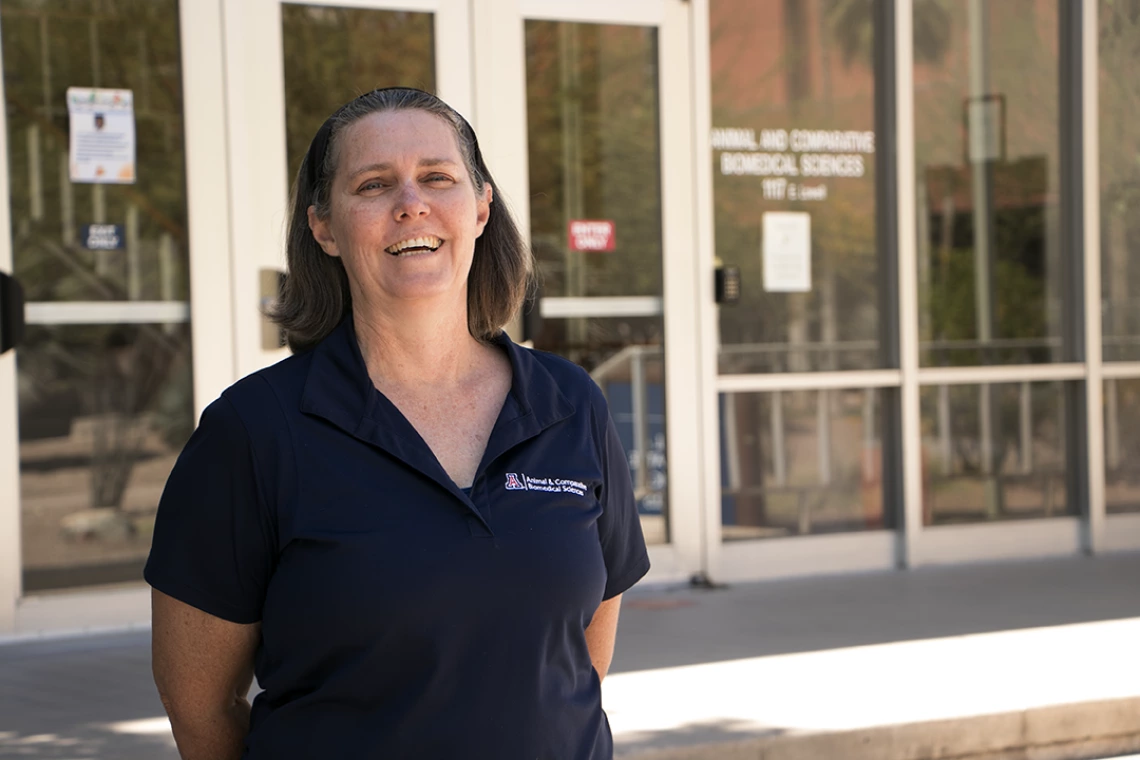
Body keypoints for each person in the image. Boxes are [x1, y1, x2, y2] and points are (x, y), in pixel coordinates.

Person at [144, 87, 650, 759]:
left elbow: (579, 659)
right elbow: (198, 704)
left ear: (480, 207)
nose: (411, 202)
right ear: (323, 226)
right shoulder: (253, 433)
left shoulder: (570, 404)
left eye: (437, 178)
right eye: (374, 184)